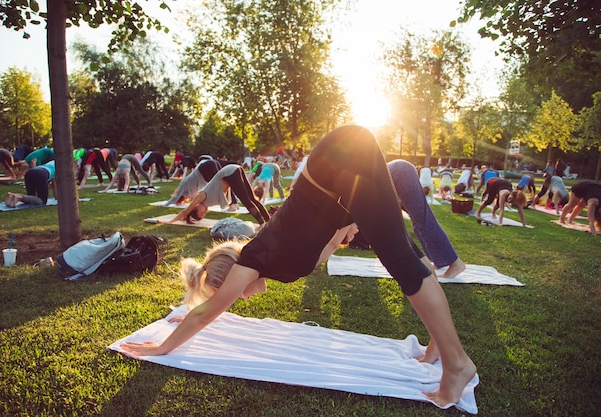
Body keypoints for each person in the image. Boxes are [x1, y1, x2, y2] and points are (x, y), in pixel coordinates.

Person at [121, 125, 476, 407]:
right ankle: (437, 344)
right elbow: (320, 253)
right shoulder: (277, 264)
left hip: (339, 159)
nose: (240, 300)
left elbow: (206, 314)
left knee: (400, 259)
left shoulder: (253, 258)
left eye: (229, 293)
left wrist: (161, 347)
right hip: (340, 171)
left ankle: (456, 364)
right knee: (402, 253)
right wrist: (345, 228)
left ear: (232, 278)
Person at [388, 159, 466, 278]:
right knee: (418, 221)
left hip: (401, 172)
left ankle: (456, 263)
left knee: (423, 220)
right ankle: (439, 261)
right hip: (395, 176)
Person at [167, 164, 270, 225]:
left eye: (201, 212)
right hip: (234, 169)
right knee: (251, 198)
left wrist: (171, 221)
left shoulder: (201, 196)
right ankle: (268, 220)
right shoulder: (207, 203)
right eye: (203, 215)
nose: (204, 212)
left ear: (196, 207)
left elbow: (185, 211)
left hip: (229, 172)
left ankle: (262, 224)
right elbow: (186, 216)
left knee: (246, 200)